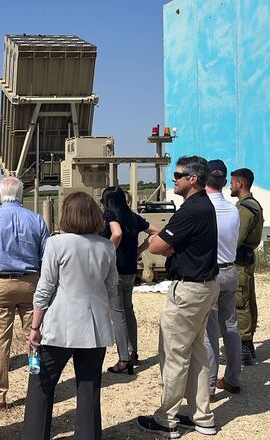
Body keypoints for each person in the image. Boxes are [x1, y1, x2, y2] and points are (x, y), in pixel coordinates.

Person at [136, 156, 220, 438]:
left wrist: (164, 246)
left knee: (174, 355)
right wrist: (169, 245)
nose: (174, 179)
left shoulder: (192, 210)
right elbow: (167, 244)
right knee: (196, 353)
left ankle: (167, 419)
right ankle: (202, 416)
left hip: (188, 290)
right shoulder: (203, 207)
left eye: (178, 175)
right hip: (204, 286)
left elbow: (158, 245)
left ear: (193, 179)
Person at [23, 192, 117, 440]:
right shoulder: (106, 246)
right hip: (95, 326)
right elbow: (111, 287)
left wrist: (35, 327)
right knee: (89, 388)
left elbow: (45, 288)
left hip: (60, 326)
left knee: (41, 384)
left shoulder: (56, 243)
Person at [0, 176, 50, 410]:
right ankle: (39, 390)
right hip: (31, 283)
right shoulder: (36, 220)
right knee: (35, 338)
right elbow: (46, 257)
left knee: (0, 342)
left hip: (0, 284)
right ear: (21, 194)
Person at [100, 186, 160, 374]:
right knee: (128, 310)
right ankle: (133, 352)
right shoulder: (132, 216)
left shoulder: (111, 216)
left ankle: (124, 358)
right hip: (130, 270)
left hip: (115, 270)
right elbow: (156, 231)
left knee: (117, 314)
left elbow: (116, 233)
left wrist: (108, 251)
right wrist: (140, 249)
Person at [204, 160, 242, 399]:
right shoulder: (233, 209)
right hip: (230, 270)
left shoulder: (203, 208)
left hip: (211, 272)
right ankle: (233, 379)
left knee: (210, 331)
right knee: (231, 327)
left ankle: (207, 387)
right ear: (225, 181)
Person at [230, 168, 264, 365]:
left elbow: (236, 238)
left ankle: (243, 346)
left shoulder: (245, 209)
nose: (230, 186)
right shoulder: (253, 205)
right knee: (247, 300)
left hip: (240, 261)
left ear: (240, 183)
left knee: (240, 302)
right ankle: (248, 344)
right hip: (246, 260)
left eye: (233, 182)